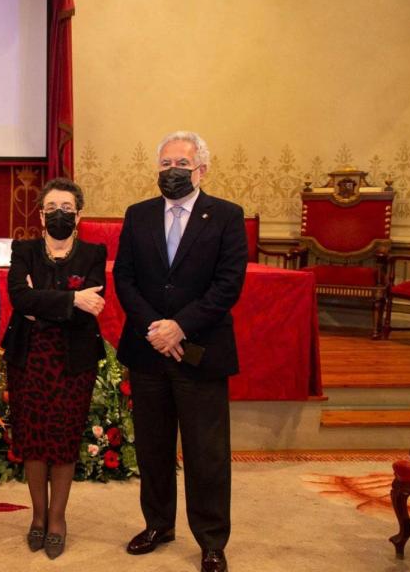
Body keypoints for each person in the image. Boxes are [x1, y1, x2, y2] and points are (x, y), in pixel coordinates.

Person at [113, 131, 247, 572]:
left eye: (182, 164)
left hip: (201, 351)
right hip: (148, 349)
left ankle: (211, 540)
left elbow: (228, 284)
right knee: (153, 447)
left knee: (207, 453)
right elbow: (124, 278)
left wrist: (180, 327)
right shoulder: (138, 215)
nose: (172, 171)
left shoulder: (227, 216)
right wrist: (156, 328)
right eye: (166, 164)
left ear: (201, 170)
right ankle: (158, 524)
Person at [1, 177, 106, 560]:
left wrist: (42, 301)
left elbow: (93, 305)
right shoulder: (24, 249)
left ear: (78, 216)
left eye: (67, 209)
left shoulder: (93, 253)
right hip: (29, 357)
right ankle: (38, 517)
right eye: (51, 209)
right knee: (32, 438)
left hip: (74, 360)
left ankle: (57, 519)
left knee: (64, 439)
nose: (59, 215)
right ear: (41, 216)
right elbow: (19, 298)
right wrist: (71, 300)